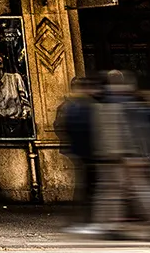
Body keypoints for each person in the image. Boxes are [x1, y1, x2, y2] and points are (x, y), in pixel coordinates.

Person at [91, 71, 150, 240]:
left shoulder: (103, 102)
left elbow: (102, 133)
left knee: (111, 193)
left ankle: (110, 226)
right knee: (144, 192)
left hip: (112, 156)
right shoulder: (128, 101)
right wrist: (144, 155)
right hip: (129, 155)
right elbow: (138, 131)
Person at [56, 77, 100, 235]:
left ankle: (84, 219)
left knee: (86, 185)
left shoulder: (76, 106)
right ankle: (85, 220)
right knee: (87, 186)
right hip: (85, 152)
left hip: (83, 151)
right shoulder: (75, 106)